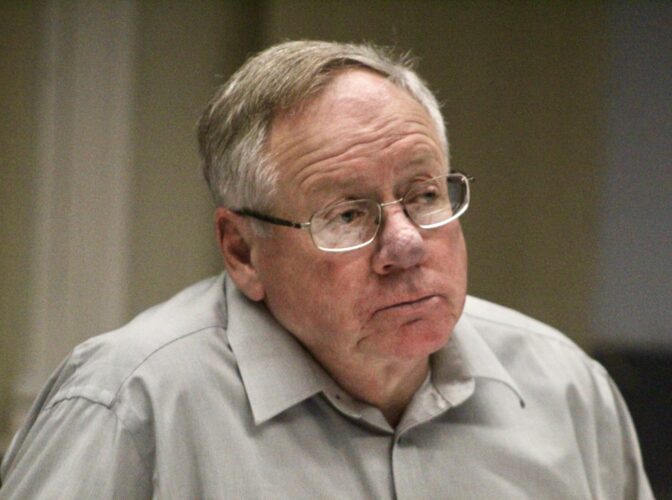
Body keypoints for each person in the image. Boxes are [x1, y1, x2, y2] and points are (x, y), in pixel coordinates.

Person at [0, 40, 653, 499]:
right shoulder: (128, 402)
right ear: (243, 251)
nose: (406, 245)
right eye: (346, 215)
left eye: (425, 195)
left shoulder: (564, 387)